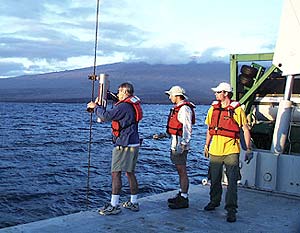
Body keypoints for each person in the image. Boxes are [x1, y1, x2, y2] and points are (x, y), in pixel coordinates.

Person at [87, 82, 143, 215]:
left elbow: (106, 116)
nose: (118, 94)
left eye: (119, 91)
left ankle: (114, 205)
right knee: (130, 172)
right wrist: (105, 94)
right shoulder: (131, 104)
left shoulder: (123, 106)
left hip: (124, 144)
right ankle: (134, 202)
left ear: (125, 92)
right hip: (134, 142)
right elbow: (117, 99)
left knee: (115, 173)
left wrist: (95, 107)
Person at [203, 82, 252, 223]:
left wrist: (248, 148)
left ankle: (231, 210)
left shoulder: (237, 110)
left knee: (232, 182)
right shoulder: (213, 109)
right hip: (215, 151)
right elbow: (209, 129)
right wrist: (206, 145)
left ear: (225, 93)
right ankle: (214, 201)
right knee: (214, 179)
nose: (215, 94)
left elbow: (245, 128)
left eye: (218, 92)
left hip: (231, 150)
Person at [165, 85, 196, 209]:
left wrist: (183, 143)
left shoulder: (184, 109)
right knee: (179, 169)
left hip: (180, 145)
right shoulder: (179, 108)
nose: (169, 98)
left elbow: (187, 127)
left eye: (171, 95)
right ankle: (182, 193)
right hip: (175, 143)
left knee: (182, 169)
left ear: (177, 96)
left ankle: (184, 197)